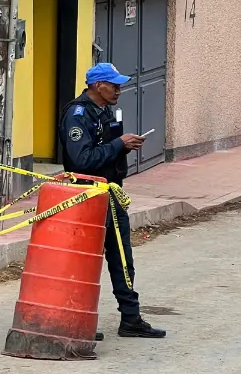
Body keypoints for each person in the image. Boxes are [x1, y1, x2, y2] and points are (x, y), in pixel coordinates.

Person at [60, 62, 166, 339]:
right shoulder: (77, 115)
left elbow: (106, 150)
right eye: (114, 86)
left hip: (111, 194)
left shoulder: (105, 111)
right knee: (83, 262)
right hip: (87, 197)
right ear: (97, 86)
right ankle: (76, 320)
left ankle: (131, 318)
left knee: (122, 257)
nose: (119, 91)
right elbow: (81, 160)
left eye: (120, 86)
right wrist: (119, 144)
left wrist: (125, 146)